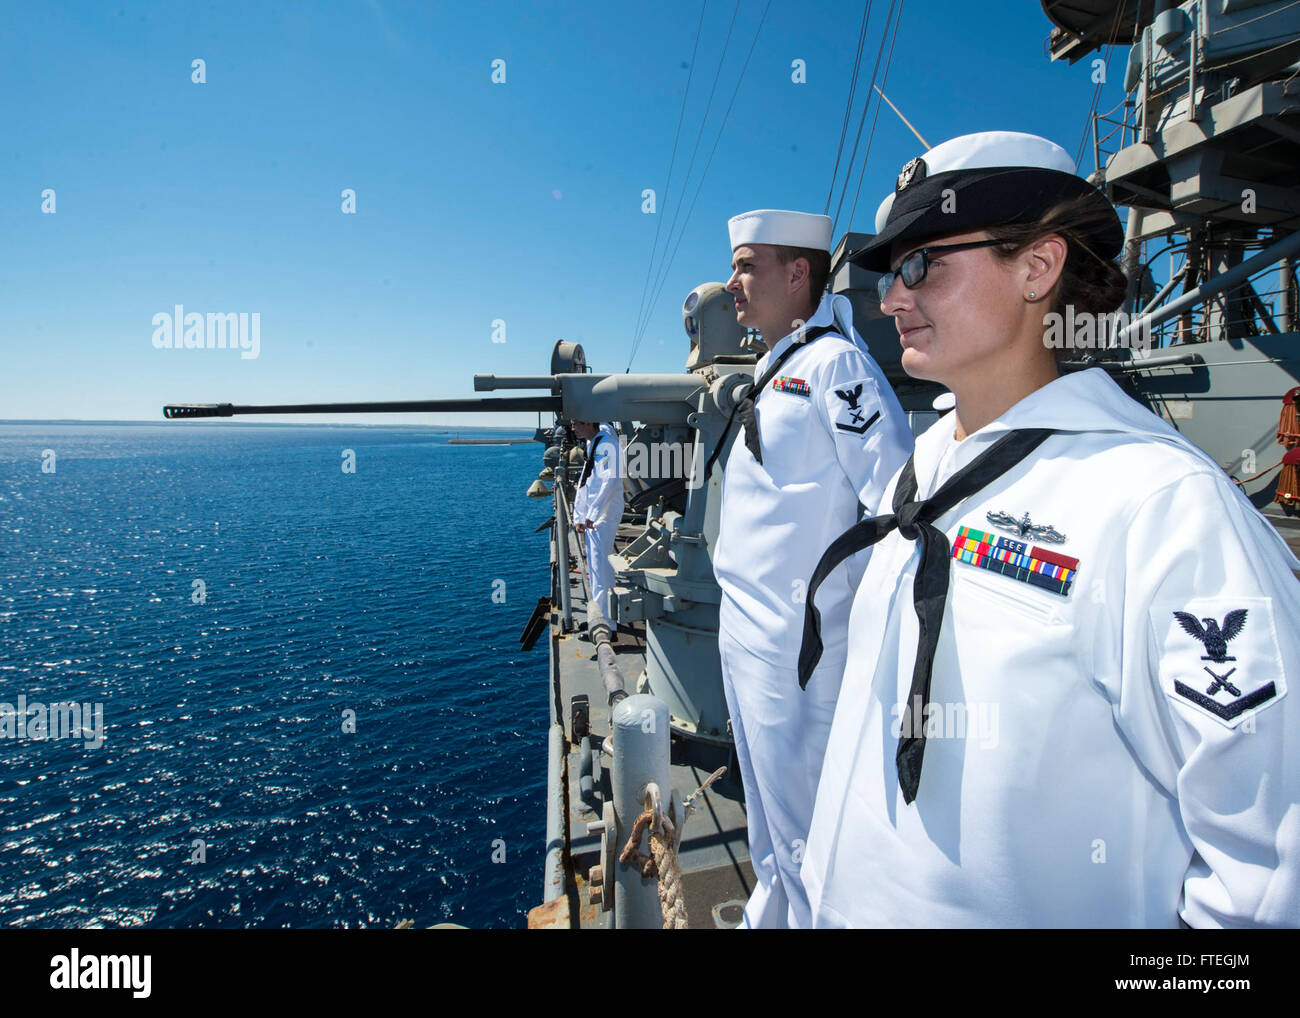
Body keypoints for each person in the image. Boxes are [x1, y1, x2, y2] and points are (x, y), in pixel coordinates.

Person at [797, 131, 1300, 928]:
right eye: (892, 272)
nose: (892, 297)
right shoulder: (922, 466)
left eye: (923, 264)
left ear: (1038, 268)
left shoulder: (1162, 508)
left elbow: (1272, 876)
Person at [711, 209, 913, 928]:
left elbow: (896, 502)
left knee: (806, 836)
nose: (732, 283)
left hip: (797, 650)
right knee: (767, 825)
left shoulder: (835, 365)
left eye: (745, 265)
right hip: (746, 635)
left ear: (798, 273)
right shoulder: (778, 365)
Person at [571, 420, 624, 629]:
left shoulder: (606, 444)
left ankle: (606, 624)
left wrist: (592, 514)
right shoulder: (595, 441)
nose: (573, 428)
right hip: (593, 516)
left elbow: (609, 482)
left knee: (599, 569)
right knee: (597, 569)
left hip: (603, 515)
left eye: (577, 424)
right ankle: (604, 615)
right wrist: (579, 515)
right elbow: (588, 482)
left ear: (589, 424)